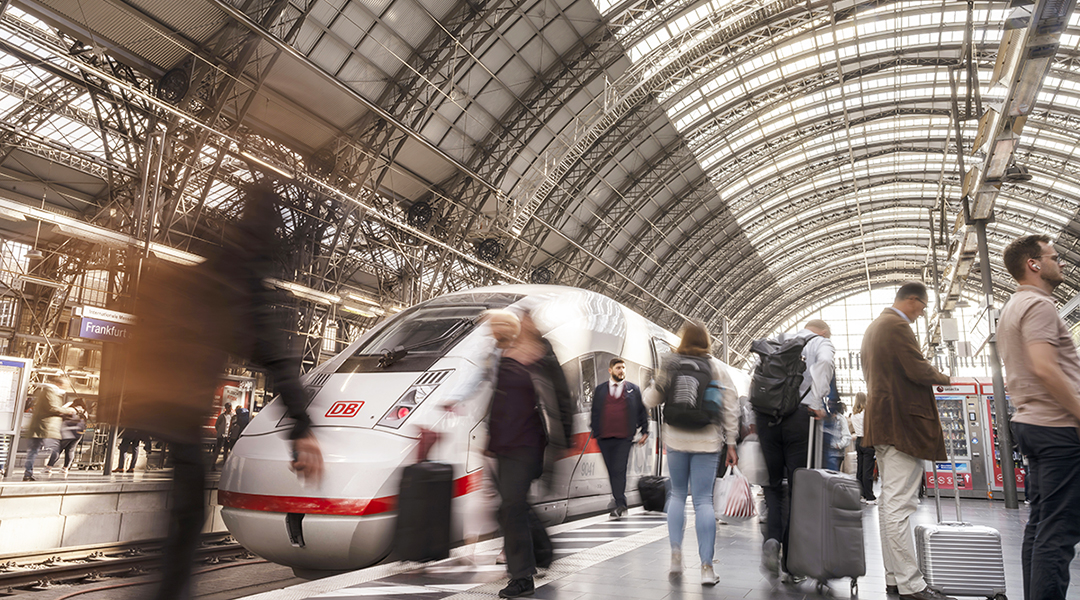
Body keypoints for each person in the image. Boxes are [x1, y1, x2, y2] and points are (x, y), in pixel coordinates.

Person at [112, 183, 323, 600]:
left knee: (182, 509)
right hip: (183, 400)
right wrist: (301, 425)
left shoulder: (211, 262)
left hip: (154, 394)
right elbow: (274, 356)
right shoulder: (244, 279)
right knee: (188, 514)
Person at [997, 234, 1080, 600]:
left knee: (1041, 526)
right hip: (1057, 426)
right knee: (1058, 532)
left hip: (1032, 423)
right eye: (1055, 256)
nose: (1061, 263)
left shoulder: (1012, 307)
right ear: (1034, 263)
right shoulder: (1040, 306)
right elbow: (1046, 368)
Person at [862, 281, 954, 600]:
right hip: (902, 424)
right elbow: (916, 369)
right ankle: (911, 584)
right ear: (912, 300)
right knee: (900, 505)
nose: (921, 313)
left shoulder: (875, 327)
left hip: (883, 422)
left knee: (890, 503)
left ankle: (894, 576)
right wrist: (946, 378)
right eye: (923, 306)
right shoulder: (897, 326)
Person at [474, 308, 573, 599]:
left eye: (526, 319)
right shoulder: (502, 353)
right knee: (512, 505)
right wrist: (489, 437)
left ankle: (522, 577)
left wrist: (563, 440)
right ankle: (542, 551)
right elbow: (497, 398)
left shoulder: (542, 356)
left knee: (512, 506)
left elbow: (561, 397)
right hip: (504, 442)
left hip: (528, 442)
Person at [643, 321, 739, 587]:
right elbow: (731, 408)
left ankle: (675, 556)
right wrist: (731, 443)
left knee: (676, 495)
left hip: (676, 438)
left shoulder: (671, 363)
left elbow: (651, 399)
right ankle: (707, 567)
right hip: (707, 441)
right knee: (703, 502)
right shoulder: (716, 367)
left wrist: (652, 385)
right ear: (707, 341)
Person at [756, 319, 833, 582]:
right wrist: (817, 400)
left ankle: (772, 539)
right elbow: (824, 364)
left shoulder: (779, 339)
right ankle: (790, 565)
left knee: (774, 486)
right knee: (798, 488)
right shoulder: (820, 342)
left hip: (767, 418)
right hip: (800, 418)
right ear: (823, 331)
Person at [590, 357, 648, 518]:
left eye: (623, 368)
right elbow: (595, 412)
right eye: (618, 368)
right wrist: (596, 431)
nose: (621, 371)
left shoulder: (633, 390)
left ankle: (620, 504)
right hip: (604, 438)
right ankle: (619, 500)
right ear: (610, 370)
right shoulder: (600, 390)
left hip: (624, 438)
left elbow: (641, 411)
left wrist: (645, 430)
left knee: (619, 470)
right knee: (611, 470)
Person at [23, 373, 76, 481]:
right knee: (50, 449)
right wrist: (68, 411)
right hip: (43, 427)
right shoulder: (50, 392)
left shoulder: (52, 392)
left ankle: (29, 473)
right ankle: (30, 472)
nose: (65, 388)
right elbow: (52, 408)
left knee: (36, 450)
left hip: (45, 427)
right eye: (64, 385)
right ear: (58, 384)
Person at [46, 397, 88, 474]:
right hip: (78, 434)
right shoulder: (85, 412)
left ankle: (49, 467)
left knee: (58, 449)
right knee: (70, 450)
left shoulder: (71, 409)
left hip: (68, 432)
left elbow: (60, 413)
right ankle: (65, 468)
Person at [850, 392, 876, 504]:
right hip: (868, 441)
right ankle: (870, 497)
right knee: (867, 470)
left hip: (859, 442)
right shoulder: (867, 413)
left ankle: (861, 494)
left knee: (860, 470)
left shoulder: (854, 414)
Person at [823, 400, 851, 472]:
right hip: (826, 452)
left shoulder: (841, 419)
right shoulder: (825, 418)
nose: (829, 406)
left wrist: (839, 445)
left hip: (836, 453)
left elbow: (847, 435)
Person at [211, 403, 233, 470]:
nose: (229, 408)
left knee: (226, 450)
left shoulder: (232, 416)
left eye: (230, 407)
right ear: (226, 408)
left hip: (228, 435)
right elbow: (217, 425)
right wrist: (220, 431)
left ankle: (225, 466)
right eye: (228, 407)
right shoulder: (222, 416)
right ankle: (213, 465)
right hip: (221, 435)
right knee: (218, 449)